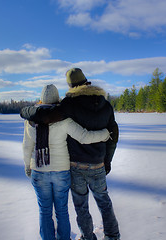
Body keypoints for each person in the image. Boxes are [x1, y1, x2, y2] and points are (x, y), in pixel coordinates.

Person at [21, 68, 120, 240]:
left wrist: (26, 111)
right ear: (86, 81)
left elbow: (44, 121)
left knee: (77, 206)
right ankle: (113, 236)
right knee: (103, 201)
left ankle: (88, 237)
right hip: (95, 164)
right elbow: (111, 135)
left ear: (70, 85)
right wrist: (107, 160)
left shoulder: (69, 104)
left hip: (74, 165)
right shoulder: (106, 104)